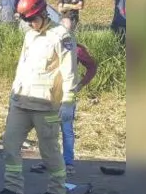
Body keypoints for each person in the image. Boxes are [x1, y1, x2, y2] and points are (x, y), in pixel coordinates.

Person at [0, 0, 77, 194]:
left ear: (43, 13)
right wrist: (13, 95)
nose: (29, 24)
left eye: (32, 19)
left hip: (46, 106)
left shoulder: (61, 37)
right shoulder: (29, 36)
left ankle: (57, 192)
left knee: (49, 152)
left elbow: (69, 72)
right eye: (25, 20)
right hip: (21, 102)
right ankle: (13, 189)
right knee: (10, 146)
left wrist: (68, 102)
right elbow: (23, 66)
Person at [30, 43, 97, 177]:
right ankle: (49, 160)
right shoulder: (48, 46)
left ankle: (68, 163)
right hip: (49, 96)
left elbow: (92, 66)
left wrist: (81, 84)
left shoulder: (76, 48)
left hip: (66, 97)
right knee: (48, 128)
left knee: (66, 129)